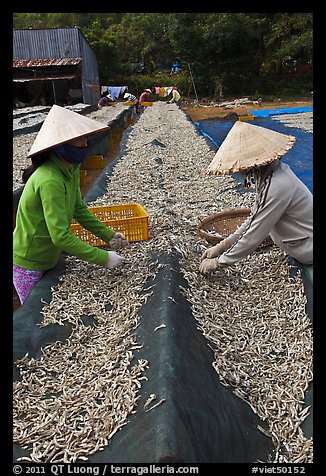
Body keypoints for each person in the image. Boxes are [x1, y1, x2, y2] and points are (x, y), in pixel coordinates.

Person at [13, 105, 128, 305]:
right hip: (29, 263)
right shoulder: (50, 180)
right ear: (60, 146)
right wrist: (103, 258)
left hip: (50, 256)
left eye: (85, 138)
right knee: (36, 315)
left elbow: (78, 209)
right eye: (79, 139)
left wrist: (107, 235)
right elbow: (60, 236)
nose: (85, 144)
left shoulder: (71, 168)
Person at [199, 121, 313, 276]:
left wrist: (219, 262)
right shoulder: (267, 176)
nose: (240, 169)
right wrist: (223, 245)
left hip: (308, 250)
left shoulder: (278, 185)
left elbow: (255, 233)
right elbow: (254, 218)